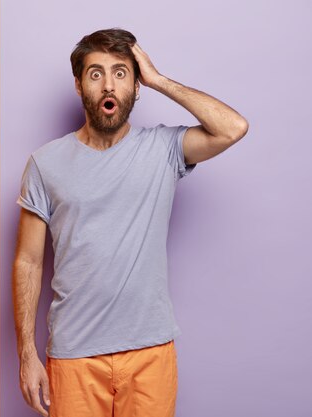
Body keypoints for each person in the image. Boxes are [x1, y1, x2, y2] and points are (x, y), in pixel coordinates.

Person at [13, 28, 248, 417]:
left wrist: (158, 80)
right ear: (78, 85)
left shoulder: (163, 149)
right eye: (96, 73)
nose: (108, 85)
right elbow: (28, 262)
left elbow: (233, 128)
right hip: (75, 357)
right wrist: (26, 356)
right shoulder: (45, 163)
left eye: (121, 73)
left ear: (135, 86)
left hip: (150, 354)